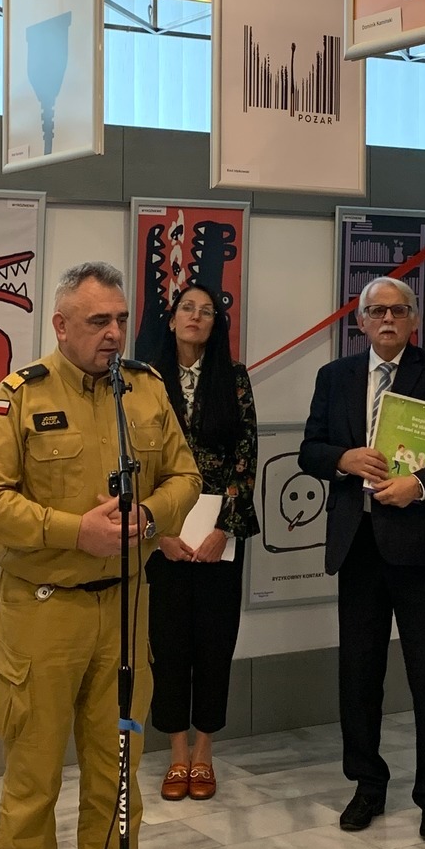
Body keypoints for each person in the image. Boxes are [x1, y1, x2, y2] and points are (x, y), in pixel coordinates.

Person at [0, 262, 200, 849]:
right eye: (98, 321)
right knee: (33, 779)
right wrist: (75, 531)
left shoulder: (146, 390)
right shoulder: (21, 395)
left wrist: (149, 516)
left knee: (117, 774)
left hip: (125, 610)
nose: (114, 333)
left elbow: (186, 476)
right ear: (61, 325)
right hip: (44, 611)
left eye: (121, 319)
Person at [299, 275, 425, 845]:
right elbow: (310, 451)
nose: (387, 319)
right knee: (359, 675)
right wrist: (343, 459)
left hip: (422, 549)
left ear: (414, 320)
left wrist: (420, 486)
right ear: (360, 322)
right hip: (357, 546)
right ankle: (367, 784)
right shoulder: (334, 376)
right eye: (377, 311)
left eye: (398, 311)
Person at [147, 284, 259, 803]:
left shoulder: (233, 379)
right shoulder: (145, 379)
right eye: (187, 309)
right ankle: (175, 752)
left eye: (206, 311)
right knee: (168, 644)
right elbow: (136, 459)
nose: (196, 317)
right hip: (164, 534)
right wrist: (159, 532)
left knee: (215, 644)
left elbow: (246, 456)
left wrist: (223, 529)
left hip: (219, 536)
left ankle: (204, 751)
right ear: (171, 320)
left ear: (217, 324)